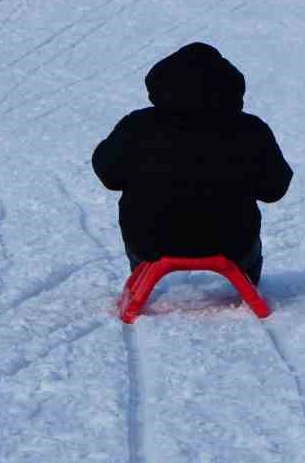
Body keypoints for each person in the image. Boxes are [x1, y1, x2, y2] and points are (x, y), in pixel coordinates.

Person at [92, 42, 292, 285]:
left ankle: (142, 274)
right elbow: (274, 189)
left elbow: (109, 174)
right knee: (243, 234)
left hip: (150, 243)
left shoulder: (137, 125)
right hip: (232, 244)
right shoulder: (251, 129)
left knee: (141, 223)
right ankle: (247, 278)